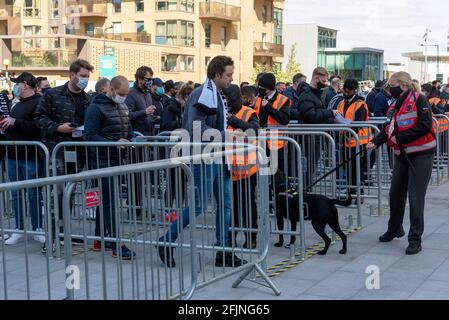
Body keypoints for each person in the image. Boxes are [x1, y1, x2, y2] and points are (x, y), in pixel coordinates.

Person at [158, 56, 246, 268]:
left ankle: (223, 250)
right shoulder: (202, 93)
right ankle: (166, 240)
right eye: (228, 74)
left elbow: (218, 122)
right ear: (216, 74)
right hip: (204, 157)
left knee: (225, 205)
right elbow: (196, 128)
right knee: (198, 205)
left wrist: (238, 128)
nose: (231, 79)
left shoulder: (215, 94)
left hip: (218, 156)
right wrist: (227, 136)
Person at [367, 71, 436, 255]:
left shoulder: (419, 100)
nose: (390, 89)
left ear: (403, 85)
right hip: (402, 156)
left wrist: (400, 138)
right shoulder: (395, 104)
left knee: (415, 197)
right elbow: (389, 128)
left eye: (392, 85)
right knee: (395, 193)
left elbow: (425, 126)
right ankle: (394, 228)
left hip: (421, 155)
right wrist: (376, 141)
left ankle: (415, 239)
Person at [34, 59, 93, 253]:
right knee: (56, 195)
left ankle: (62, 234)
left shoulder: (87, 99)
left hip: (77, 151)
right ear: (72, 74)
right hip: (56, 150)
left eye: (87, 77)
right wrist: (57, 127)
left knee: (70, 194)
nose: (85, 80)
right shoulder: (53, 94)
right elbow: (39, 117)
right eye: (82, 76)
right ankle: (50, 239)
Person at [84, 76, 136, 260]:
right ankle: (116, 243)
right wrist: (114, 143)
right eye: (121, 94)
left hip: (117, 159)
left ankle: (100, 239)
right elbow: (89, 135)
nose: (124, 97)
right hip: (101, 160)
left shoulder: (123, 106)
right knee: (110, 201)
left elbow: (127, 130)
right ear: (110, 89)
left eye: (126, 94)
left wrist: (133, 139)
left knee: (106, 200)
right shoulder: (95, 108)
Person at [1, 72, 45, 245]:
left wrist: (15, 122)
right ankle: (19, 229)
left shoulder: (39, 102)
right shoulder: (15, 103)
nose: (15, 87)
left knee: (34, 194)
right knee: (16, 193)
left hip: (30, 156)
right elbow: (13, 123)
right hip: (12, 155)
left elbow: (37, 127)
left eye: (17, 84)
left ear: (25, 85)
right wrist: (5, 126)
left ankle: (37, 228)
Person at [224, 84, 260, 249]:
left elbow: (254, 131)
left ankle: (251, 237)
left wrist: (235, 121)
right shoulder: (222, 113)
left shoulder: (248, 112)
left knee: (247, 205)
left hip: (246, 169)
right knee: (230, 205)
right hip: (228, 167)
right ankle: (230, 236)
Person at [295, 67, 339, 187]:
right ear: (316, 78)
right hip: (310, 138)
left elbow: (317, 113)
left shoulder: (315, 94)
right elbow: (311, 115)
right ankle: (305, 193)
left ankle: (306, 191)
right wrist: (330, 112)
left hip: (314, 136)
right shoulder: (307, 94)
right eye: (323, 81)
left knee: (311, 168)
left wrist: (332, 119)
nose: (324, 84)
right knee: (308, 168)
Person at [254, 73, 290, 191]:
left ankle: (279, 199)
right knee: (264, 172)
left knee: (277, 174)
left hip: (276, 144)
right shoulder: (259, 99)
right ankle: (267, 199)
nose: (259, 89)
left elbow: (284, 119)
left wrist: (269, 107)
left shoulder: (283, 100)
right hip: (262, 143)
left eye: (261, 87)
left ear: (268, 88)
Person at [337, 79, 372, 197]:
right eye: (345, 91)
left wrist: (348, 134)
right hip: (345, 142)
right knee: (347, 167)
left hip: (358, 141)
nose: (346, 94)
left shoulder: (360, 104)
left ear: (354, 91)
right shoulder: (341, 103)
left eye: (349, 92)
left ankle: (359, 191)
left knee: (357, 168)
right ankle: (350, 190)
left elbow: (359, 123)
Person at [125, 66, 157, 136]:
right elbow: (126, 115)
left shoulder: (148, 93)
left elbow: (147, 116)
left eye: (151, 79)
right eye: (147, 79)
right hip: (137, 136)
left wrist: (154, 118)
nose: (150, 82)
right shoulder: (131, 93)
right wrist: (144, 112)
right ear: (139, 78)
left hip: (148, 134)